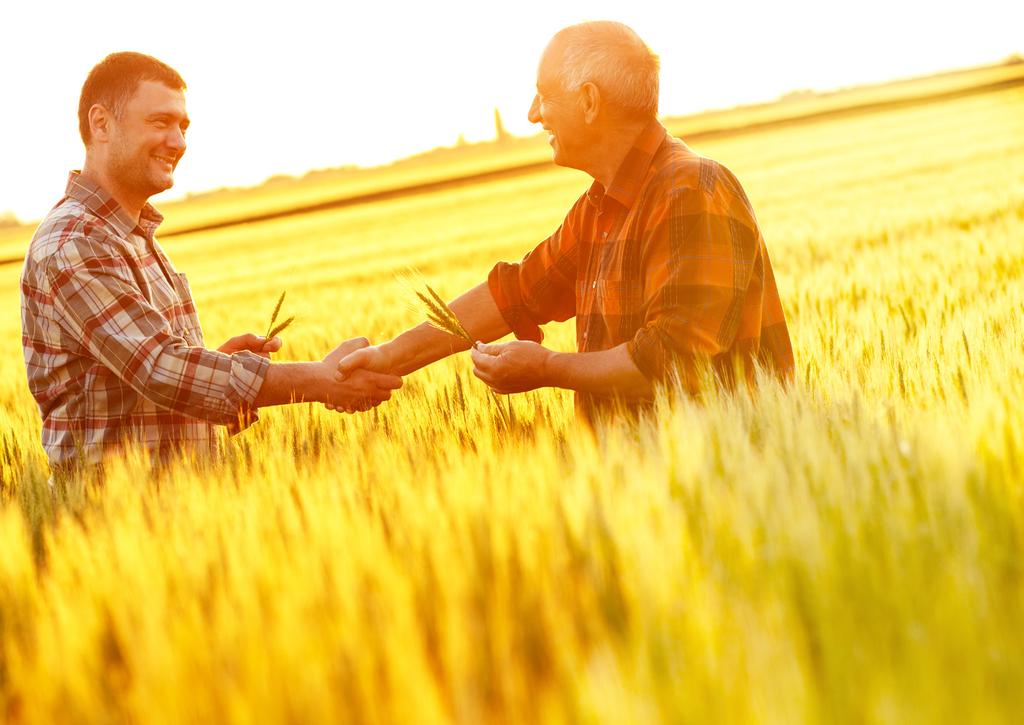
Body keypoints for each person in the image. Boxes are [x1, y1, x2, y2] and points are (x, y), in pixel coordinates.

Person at [338, 21, 794, 422]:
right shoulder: (600, 207)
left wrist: (546, 368)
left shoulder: (692, 190)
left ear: (589, 100)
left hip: (711, 487)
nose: (533, 114)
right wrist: (388, 358)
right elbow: (517, 293)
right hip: (643, 491)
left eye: (544, 95)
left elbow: (673, 362)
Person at [20, 52, 401, 472]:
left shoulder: (130, 236)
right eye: (160, 122)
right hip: (117, 520)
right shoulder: (75, 241)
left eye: (182, 127)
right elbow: (161, 368)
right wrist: (318, 380)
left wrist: (216, 362)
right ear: (101, 124)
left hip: (175, 513)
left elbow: (149, 382)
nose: (179, 142)